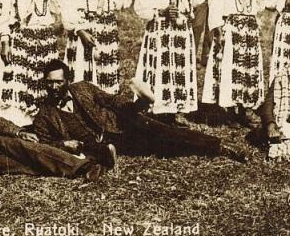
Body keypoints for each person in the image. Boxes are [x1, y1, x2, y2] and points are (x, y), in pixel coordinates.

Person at [33, 60, 247, 162]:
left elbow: (111, 100)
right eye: (50, 83)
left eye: (58, 83)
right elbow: (43, 142)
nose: (54, 87)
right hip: (111, 144)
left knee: (167, 132)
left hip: (122, 122)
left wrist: (131, 107)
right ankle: (205, 147)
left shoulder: (82, 88)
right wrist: (63, 144)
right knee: (164, 147)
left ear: (67, 80)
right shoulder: (45, 113)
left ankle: (221, 146)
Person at [133, 0, 206, 123]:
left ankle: (174, 108)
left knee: (178, 67)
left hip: (181, 30)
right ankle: (157, 108)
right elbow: (140, 8)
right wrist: (162, 11)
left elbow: (195, 0)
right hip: (161, 30)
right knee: (161, 67)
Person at [201, 0, 266, 128]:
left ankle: (243, 110)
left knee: (247, 69)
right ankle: (229, 112)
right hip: (230, 27)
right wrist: (218, 29)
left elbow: (255, 6)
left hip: (249, 28)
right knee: (229, 68)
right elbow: (215, 4)